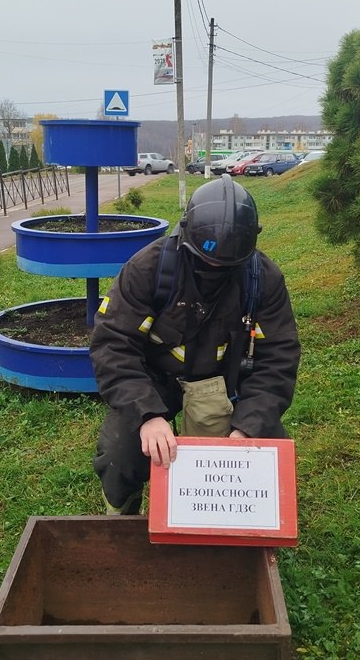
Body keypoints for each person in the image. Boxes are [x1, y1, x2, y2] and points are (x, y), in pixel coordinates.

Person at [90, 174, 301, 515]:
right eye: (206, 262)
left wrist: (249, 426)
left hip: (224, 383)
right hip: (155, 382)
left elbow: (278, 359)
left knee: (269, 448)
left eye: (226, 266)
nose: (215, 269)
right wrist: (147, 415)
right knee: (121, 451)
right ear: (185, 232)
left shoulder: (264, 280)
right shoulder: (147, 269)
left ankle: (239, 526)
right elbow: (113, 345)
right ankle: (122, 518)